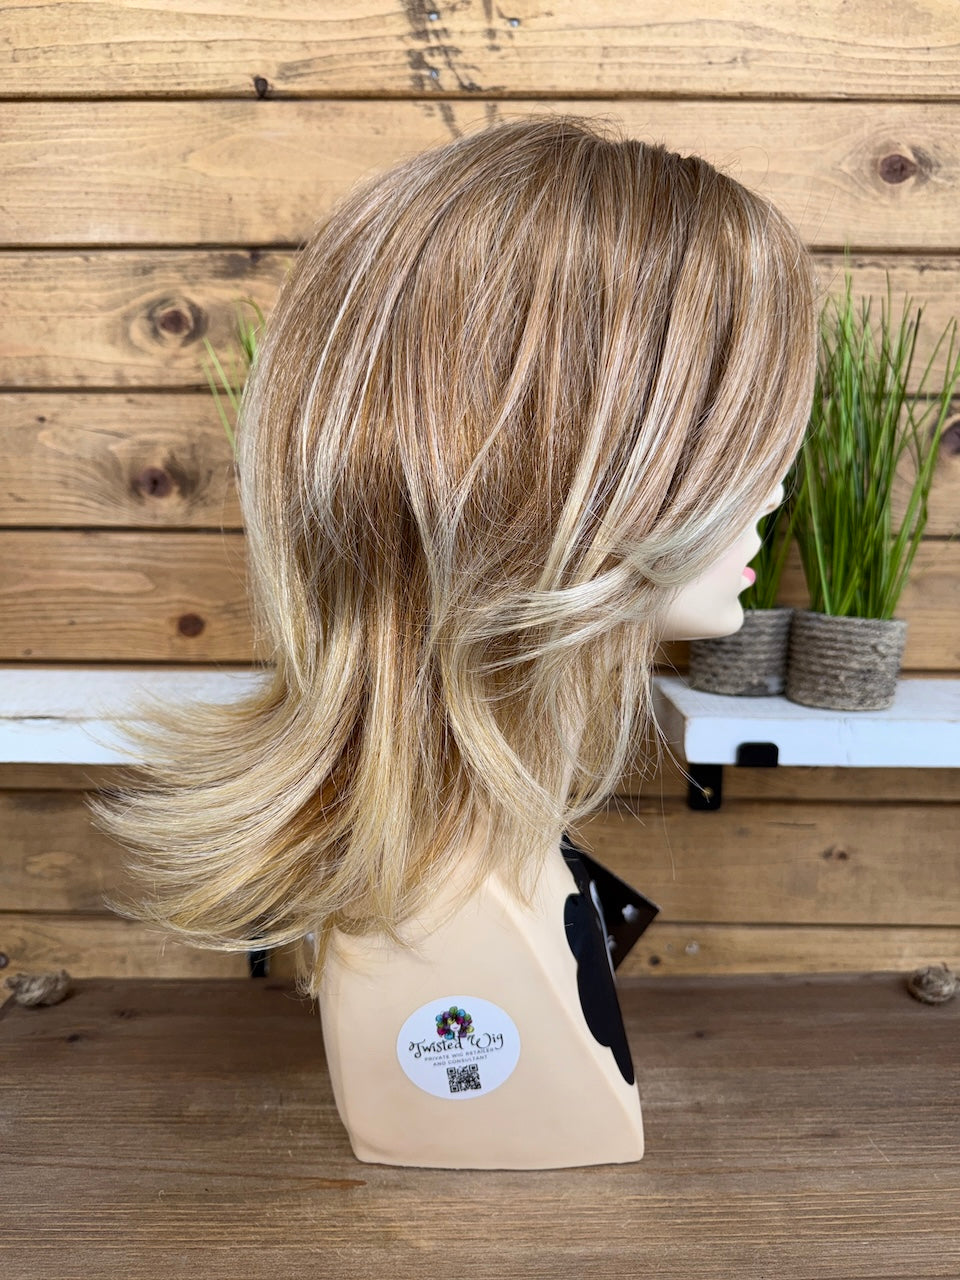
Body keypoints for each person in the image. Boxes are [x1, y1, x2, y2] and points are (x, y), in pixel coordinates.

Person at [86, 112, 819, 1167]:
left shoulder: (488, 849)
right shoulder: (444, 917)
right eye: (729, 442)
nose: (776, 489)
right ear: (552, 477)